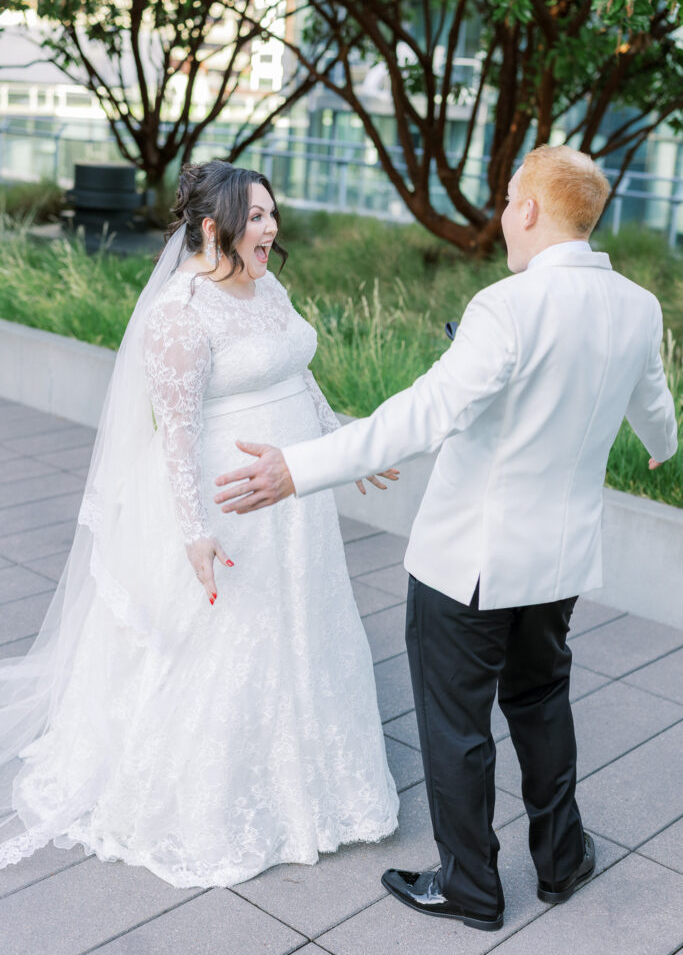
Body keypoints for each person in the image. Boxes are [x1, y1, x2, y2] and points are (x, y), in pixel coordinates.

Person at [212, 146, 678, 931]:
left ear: (528, 210)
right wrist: (660, 442)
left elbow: (418, 416)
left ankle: (470, 886)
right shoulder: (636, 305)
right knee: (540, 702)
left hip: (467, 564)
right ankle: (562, 861)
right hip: (557, 561)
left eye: (506, 200)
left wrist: (298, 467)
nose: (502, 214)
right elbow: (653, 404)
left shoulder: (507, 307)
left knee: (456, 726)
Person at [0, 160, 399, 888]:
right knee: (225, 642)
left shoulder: (265, 283)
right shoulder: (179, 315)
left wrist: (344, 448)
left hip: (292, 497)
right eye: (256, 218)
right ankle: (209, 795)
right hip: (227, 500)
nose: (271, 229)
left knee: (298, 629)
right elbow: (176, 434)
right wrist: (194, 531)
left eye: (272, 214)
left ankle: (307, 784)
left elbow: (295, 374)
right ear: (212, 228)